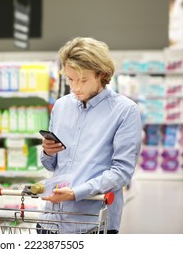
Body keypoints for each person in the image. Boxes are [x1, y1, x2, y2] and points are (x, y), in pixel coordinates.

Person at [39, 37, 142, 234]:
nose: (76, 87)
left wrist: (76, 193)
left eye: (83, 80)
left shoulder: (125, 111)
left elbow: (121, 172)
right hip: (50, 222)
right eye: (70, 79)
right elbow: (50, 166)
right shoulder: (61, 106)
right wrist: (48, 152)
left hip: (93, 223)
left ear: (101, 74)